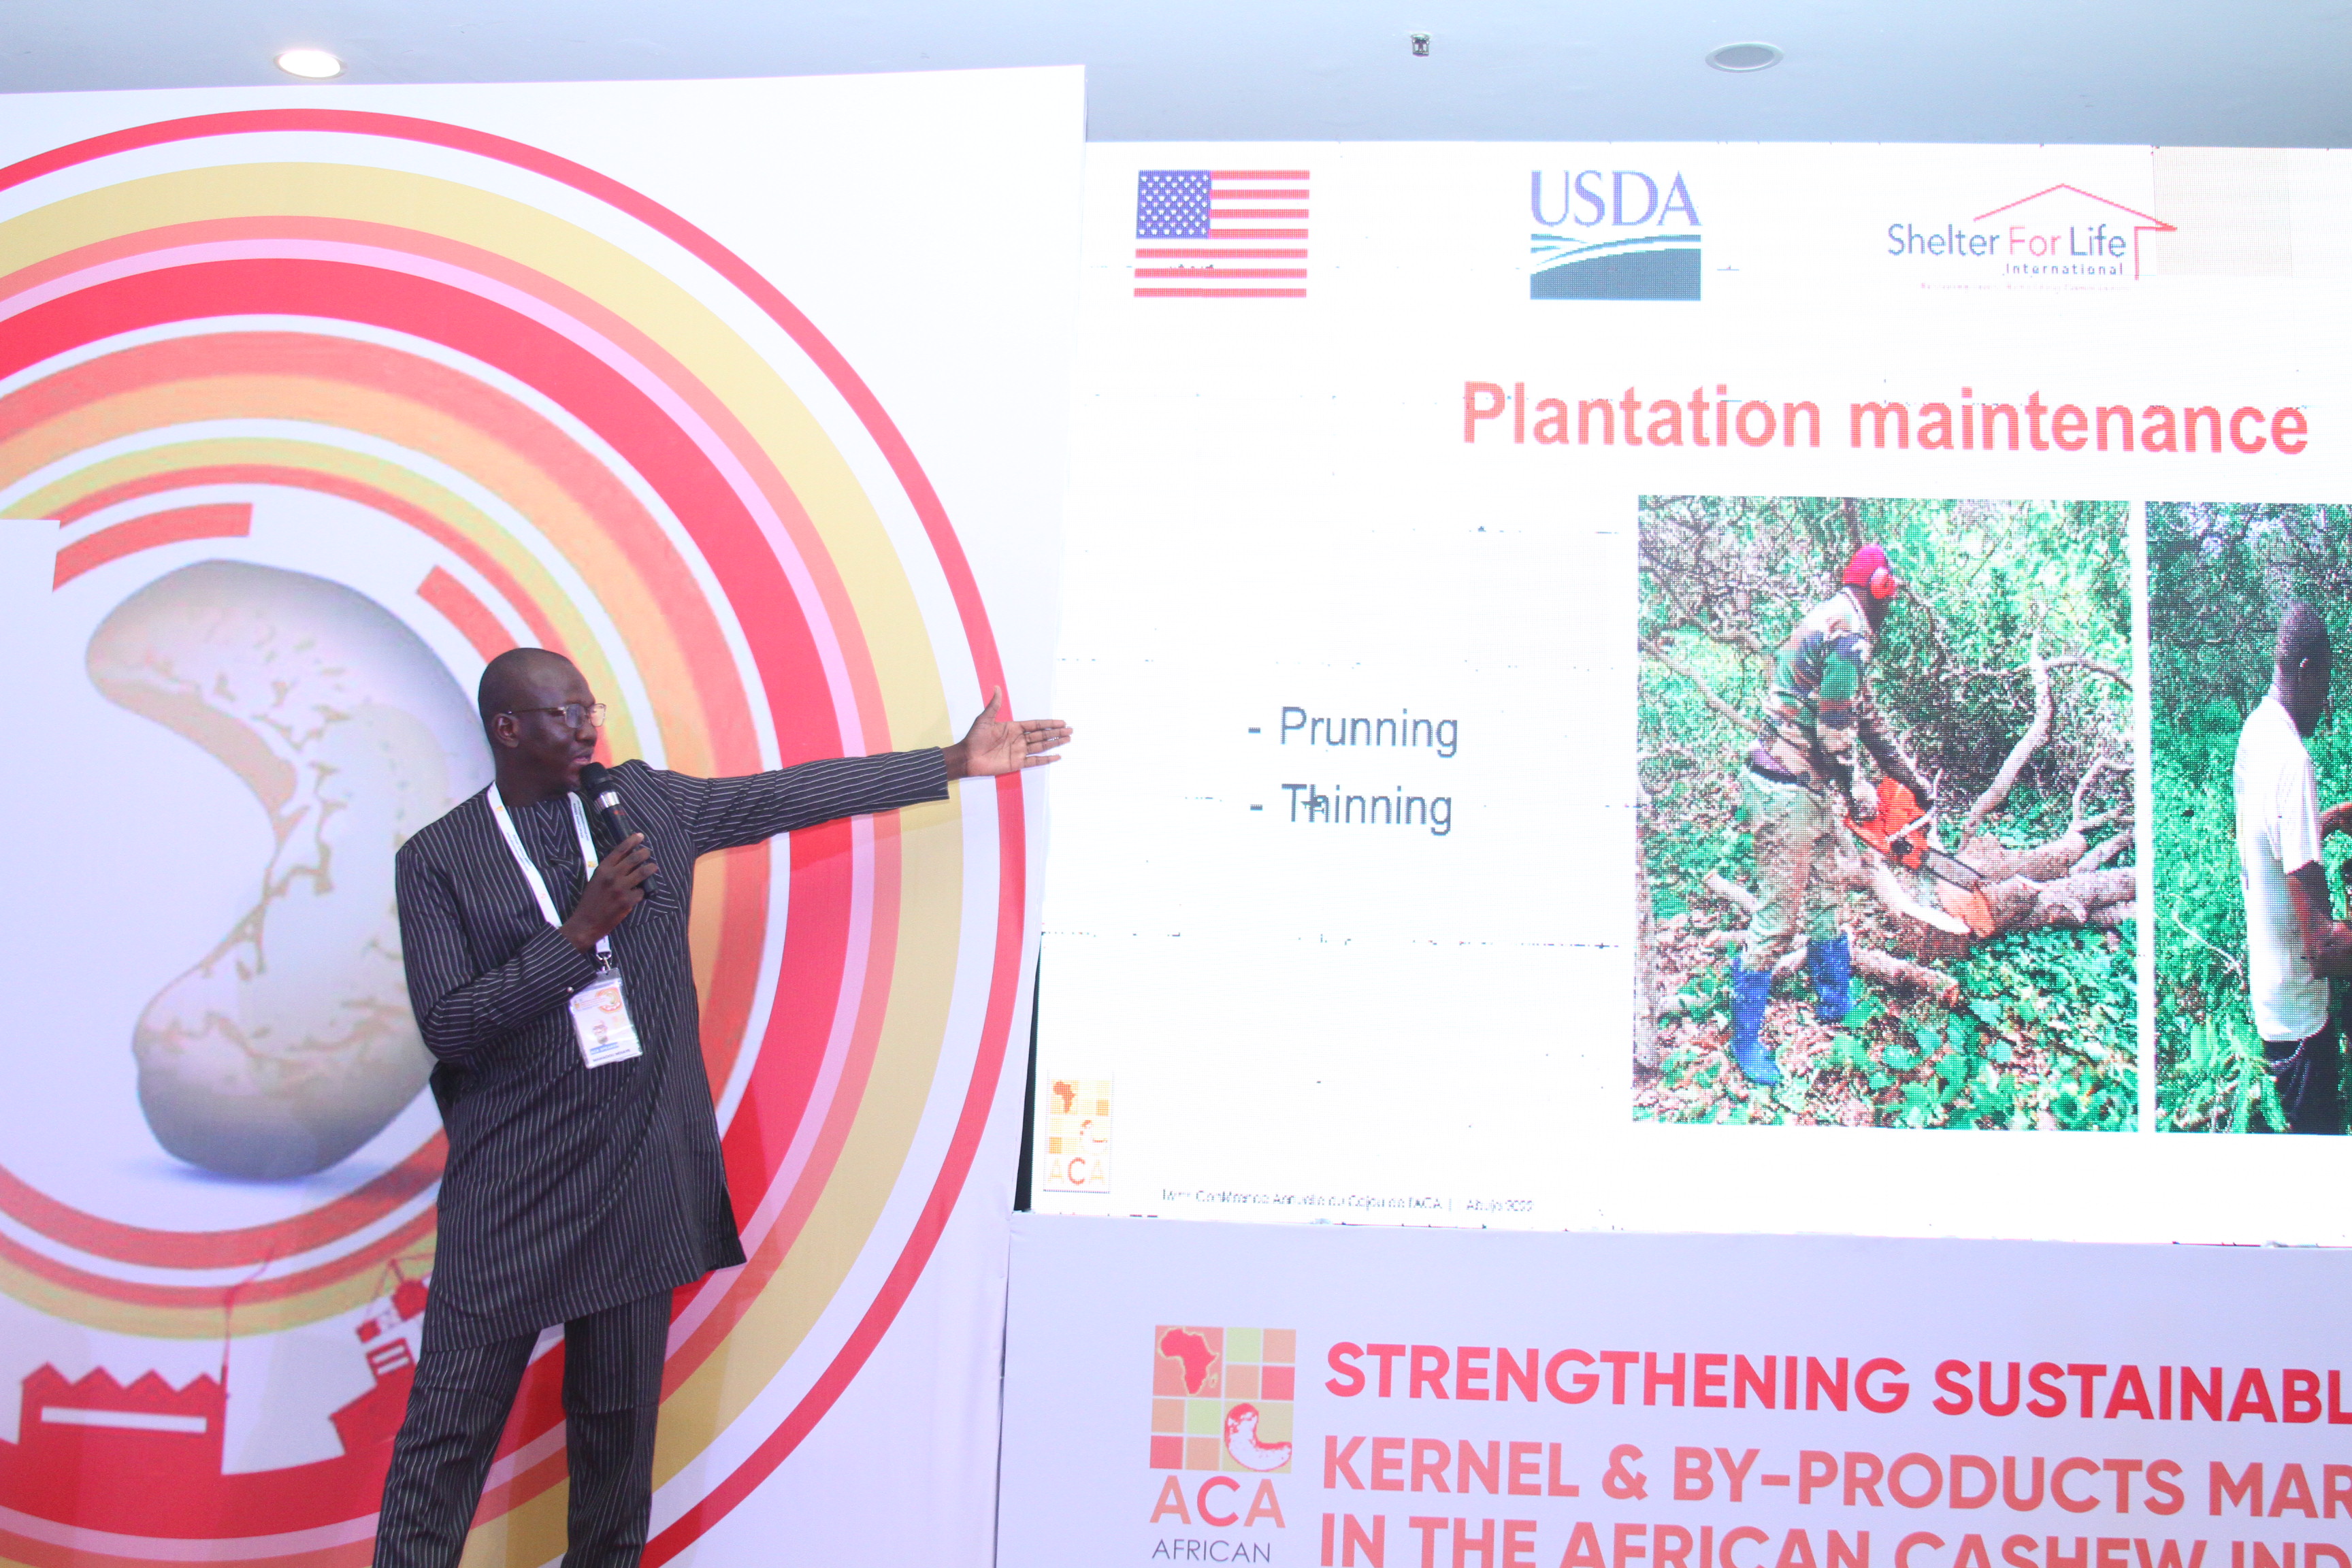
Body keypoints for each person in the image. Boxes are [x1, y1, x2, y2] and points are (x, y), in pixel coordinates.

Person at [376, 647, 1071, 1568]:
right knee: (444, 1447)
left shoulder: (642, 806)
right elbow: (452, 1026)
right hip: (511, 1195)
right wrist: (579, 934)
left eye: (590, 710)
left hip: (636, 1182)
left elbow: (784, 797)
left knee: (616, 1459)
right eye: (563, 715)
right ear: (507, 729)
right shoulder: (438, 859)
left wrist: (950, 761)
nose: (587, 729)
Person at [1729, 543, 1935, 1087]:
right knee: (1778, 919)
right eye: (1890, 595)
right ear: (1880, 589)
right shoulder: (1848, 634)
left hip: (1809, 784)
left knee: (1826, 898)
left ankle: (1834, 1003)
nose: (1891, 605)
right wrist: (1857, 788)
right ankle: (1744, 1041)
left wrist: (1910, 779)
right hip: (1786, 787)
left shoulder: (1839, 620)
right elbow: (1835, 730)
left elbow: (1866, 718)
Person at [2232, 603, 2352, 1134]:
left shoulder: (2256, 733)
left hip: (2272, 1007)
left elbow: (2267, 841)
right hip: (2302, 1028)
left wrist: (2325, 822)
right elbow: (2323, 948)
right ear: (2307, 671)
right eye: (2325, 682)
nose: (2327, 701)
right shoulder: (2292, 760)